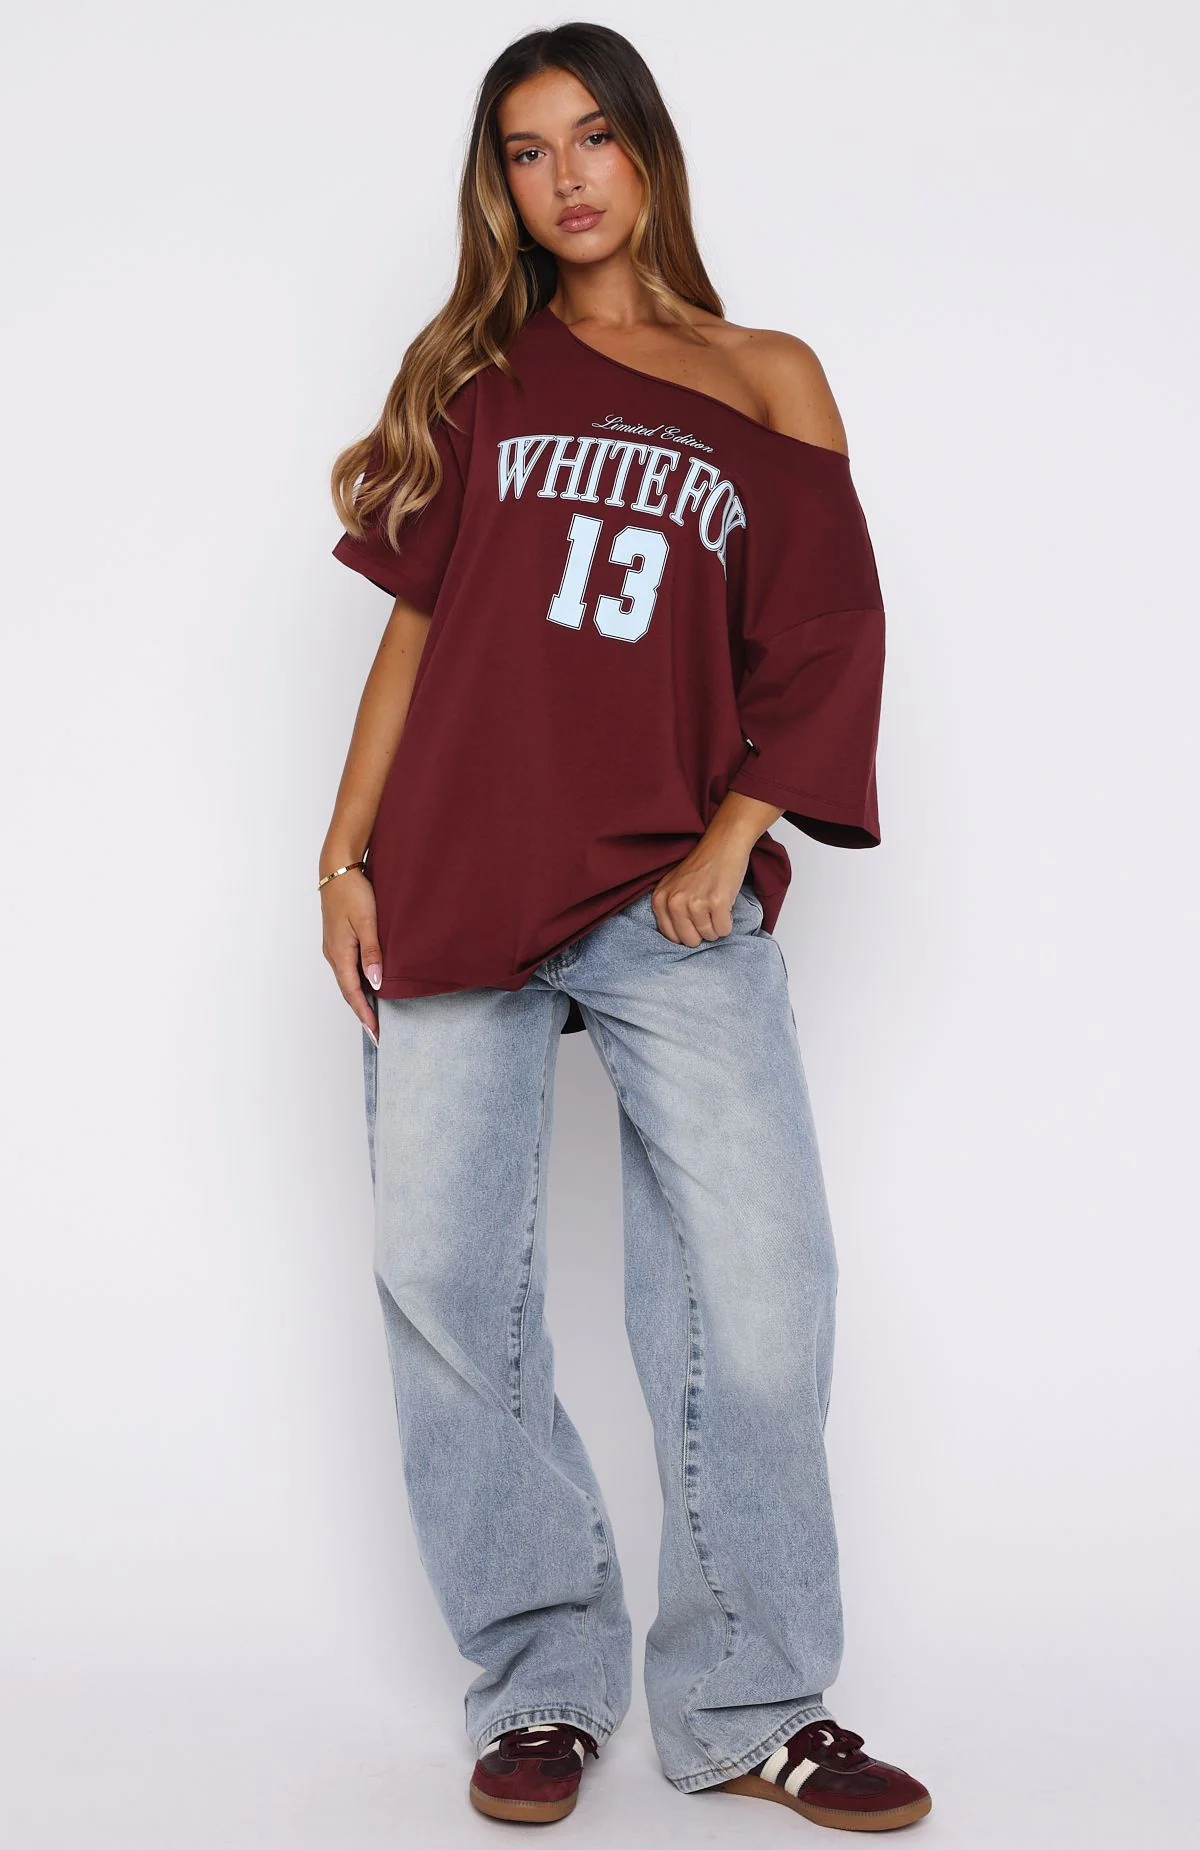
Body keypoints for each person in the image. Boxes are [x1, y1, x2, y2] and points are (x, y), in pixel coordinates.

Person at [319, 21, 931, 1835]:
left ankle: (752, 1698)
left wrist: (738, 832)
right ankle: (540, 1678)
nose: (565, 177)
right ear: (499, 187)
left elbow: (827, 631)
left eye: (592, 137)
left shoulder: (766, 375)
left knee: (760, 1290)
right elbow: (418, 630)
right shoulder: (482, 374)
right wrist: (341, 856)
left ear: (648, 151)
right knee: (446, 1282)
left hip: (672, 881)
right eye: (526, 152)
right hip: (462, 863)